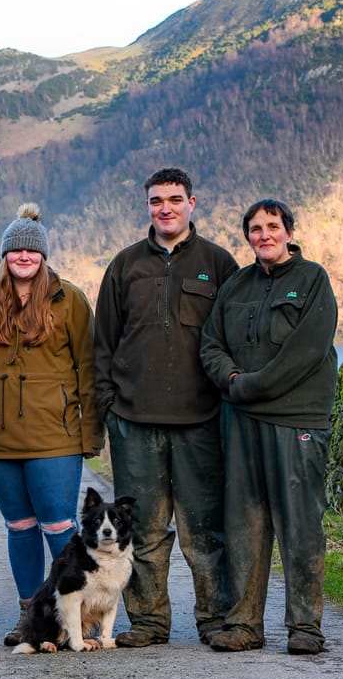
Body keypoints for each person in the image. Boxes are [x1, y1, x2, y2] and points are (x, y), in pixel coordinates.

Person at [93, 167, 237, 647]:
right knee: (145, 531)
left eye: (175, 199)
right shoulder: (125, 265)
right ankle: (150, 622)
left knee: (204, 530)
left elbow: (234, 339)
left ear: (192, 203)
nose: (165, 208)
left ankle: (215, 619)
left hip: (201, 420)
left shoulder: (218, 264)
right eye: (156, 200)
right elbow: (103, 344)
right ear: (147, 206)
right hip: (134, 421)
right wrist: (108, 407)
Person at [199, 198, 337, 655]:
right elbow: (211, 345)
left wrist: (253, 385)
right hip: (240, 422)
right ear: (248, 237)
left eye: (272, 226)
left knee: (300, 524)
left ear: (289, 231)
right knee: (244, 523)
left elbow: (307, 350)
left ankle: (304, 627)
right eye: (255, 229)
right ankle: (243, 624)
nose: (264, 235)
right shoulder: (236, 285)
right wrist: (232, 380)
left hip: (296, 420)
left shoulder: (313, 280)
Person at [0, 203, 103, 646]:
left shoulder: (71, 300)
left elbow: (89, 368)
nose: (23, 258)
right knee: (19, 527)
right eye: (15, 251)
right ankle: (30, 617)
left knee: (58, 526)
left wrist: (90, 435)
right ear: (5, 255)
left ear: (43, 256)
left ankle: (76, 614)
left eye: (32, 251)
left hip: (55, 435)